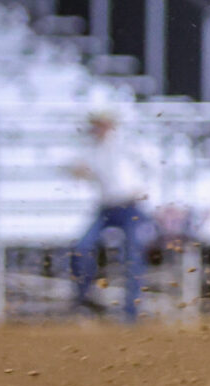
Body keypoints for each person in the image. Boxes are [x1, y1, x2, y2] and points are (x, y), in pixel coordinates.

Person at [66, 111, 158, 319]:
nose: (97, 128)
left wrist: (144, 188)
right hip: (107, 207)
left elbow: (151, 163)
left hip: (130, 206)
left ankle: (131, 311)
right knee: (82, 248)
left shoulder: (126, 144)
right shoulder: (92, 149)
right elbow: (78, 169)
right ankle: (84, 299)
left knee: (133, 254)